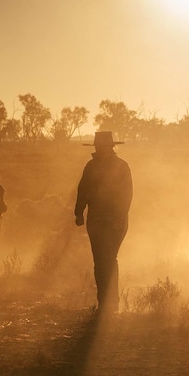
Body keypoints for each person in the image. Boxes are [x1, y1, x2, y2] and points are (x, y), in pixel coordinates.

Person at [74, 131, 133, 314]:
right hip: (96, 220)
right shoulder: (91, 166)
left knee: (107, 259)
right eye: (98, 147)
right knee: (100, 261)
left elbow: (127, 195)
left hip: (115, 221)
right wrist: (78, 212)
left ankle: (111, 304)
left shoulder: (122, 167)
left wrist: (119, 218)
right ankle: (104, 304)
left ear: (111, 147)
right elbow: (82, 190)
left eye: (103, 147)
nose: (100, 150)